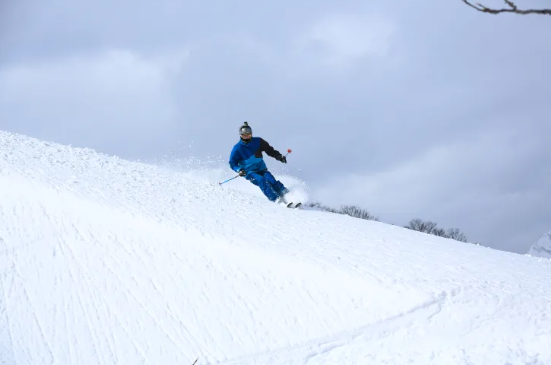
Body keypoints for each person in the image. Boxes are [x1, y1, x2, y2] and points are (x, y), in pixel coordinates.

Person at [229, 122, 290, 203]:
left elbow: (269, 150)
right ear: (241, 135)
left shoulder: (258, 141)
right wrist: (239, 170)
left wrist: (279, 156)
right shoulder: (237, 148)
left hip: (261, 169)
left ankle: (288, 195)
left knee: (271, 180)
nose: (247, 137)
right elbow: (232, 163)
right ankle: (276, 200)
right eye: (244, 135)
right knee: (261, 181)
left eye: (249, 135)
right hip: (248, 172)